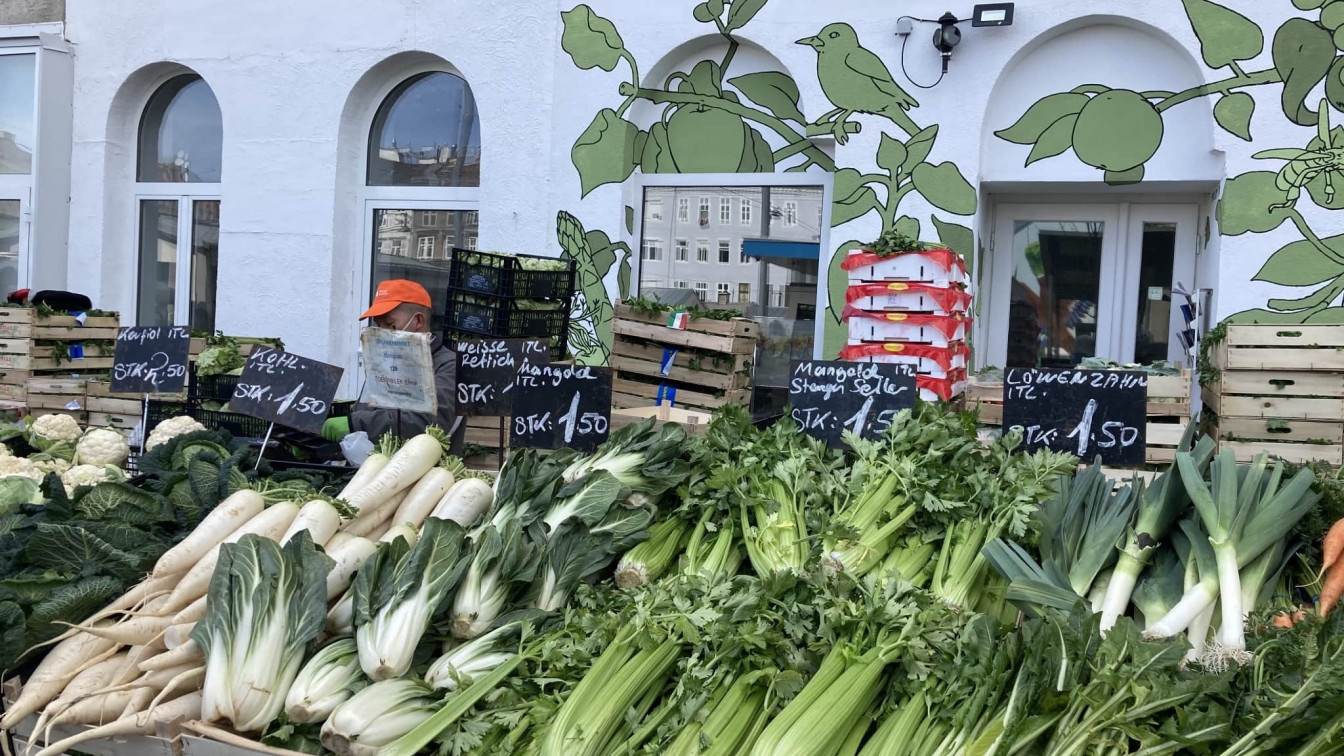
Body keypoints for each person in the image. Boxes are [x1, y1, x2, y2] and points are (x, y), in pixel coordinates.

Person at [321, 280, 459, 444]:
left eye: (391, 326)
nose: (382, 334)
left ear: (418, 321)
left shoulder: (449, 365)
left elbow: (428, 423)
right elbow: (364, 408)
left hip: (423, 468)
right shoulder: (384, 363)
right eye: (378, 326)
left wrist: (355, 424)